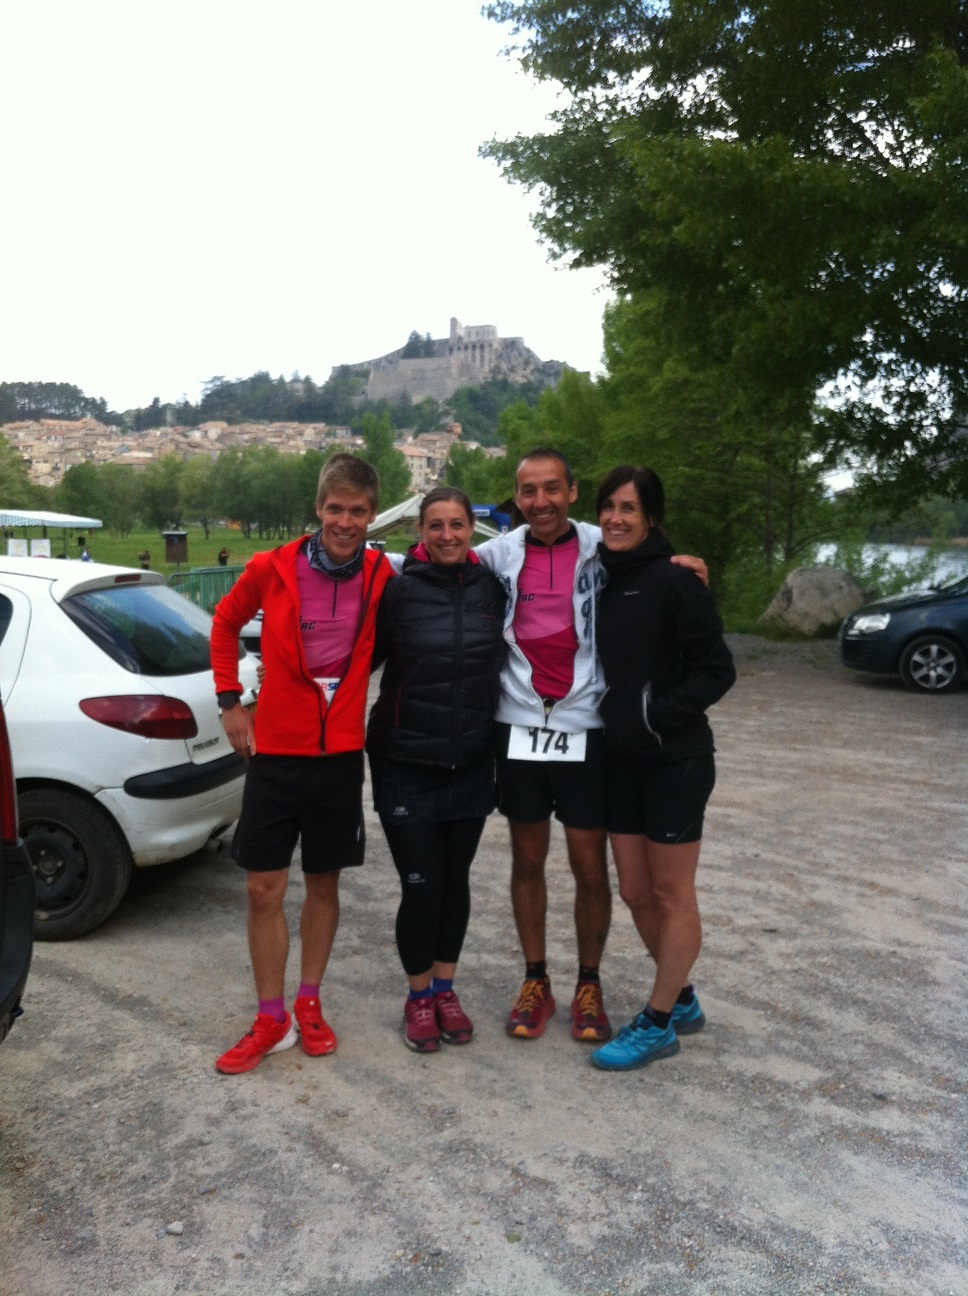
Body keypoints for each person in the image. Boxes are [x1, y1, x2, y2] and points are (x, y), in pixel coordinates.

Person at [475, 448, 707, 1045]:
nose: (541, 502)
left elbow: (658, 570)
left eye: (552, 489)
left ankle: (589, 982)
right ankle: (535, 978)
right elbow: (428, 559)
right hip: (519, 724)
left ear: (572, 492)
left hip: (586, 728)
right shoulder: (496, 554)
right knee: (527, 860)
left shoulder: (601, 544)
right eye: (528, 491)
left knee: (589, 867)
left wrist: (695, 574)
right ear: (516, 497)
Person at [210, 454, 393, 1075]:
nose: (346, 521)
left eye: (358, 511)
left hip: (338, 755)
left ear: (372, 514)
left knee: (323, 883)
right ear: (319, 508)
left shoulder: (381, 574)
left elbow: (458, 571)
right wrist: (230, 701)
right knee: (263, 888)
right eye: (336, 508)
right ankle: (271, 1017)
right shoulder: (272, 566)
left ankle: (309, 1001)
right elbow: (225, 622)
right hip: (275, 754)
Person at [589, 466, 735, 1072]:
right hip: (620, 758)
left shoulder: (677, 582)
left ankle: (655, 1023)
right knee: (634, 889)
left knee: (673, 892)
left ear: (652, 517)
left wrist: (655, 713)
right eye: (608, 508)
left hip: (675, 758)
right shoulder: (599, 574)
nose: (616, 519)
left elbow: (716, 669)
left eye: (629, 508)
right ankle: (681, 997)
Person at [367, 487, 507, 1052]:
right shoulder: (396, 593)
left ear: (470, 528)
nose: (447, 535)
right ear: (421, 532)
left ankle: (446, 988)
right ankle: (418, 995)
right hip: (405, 759)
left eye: (457, 524)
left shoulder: (493, 588)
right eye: (436, 526)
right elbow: (357, 659)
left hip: (471, 759)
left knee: (456, 883)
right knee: (421, 885)